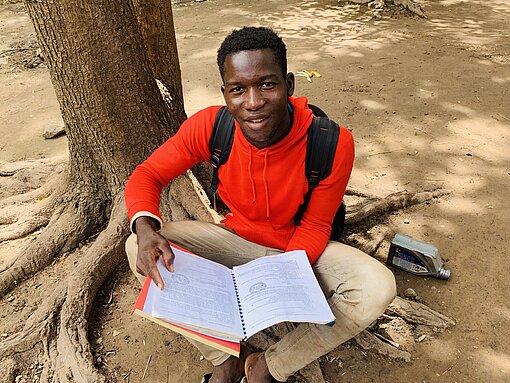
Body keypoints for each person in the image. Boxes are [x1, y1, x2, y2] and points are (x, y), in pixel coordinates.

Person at [124, 26, 396, 383]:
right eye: (238, 89)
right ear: (225, 93)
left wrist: (280, 282)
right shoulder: (211, 126)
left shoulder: (331, 142)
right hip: (233, 241)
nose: (252, 102)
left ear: (290, 85)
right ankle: (225, 359)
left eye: (267, 84)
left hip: (298, 251)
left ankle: (268, 367)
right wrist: (146, 230)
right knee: (137, 249)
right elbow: (147, 174)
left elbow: (316, 226)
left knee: (376, 288)